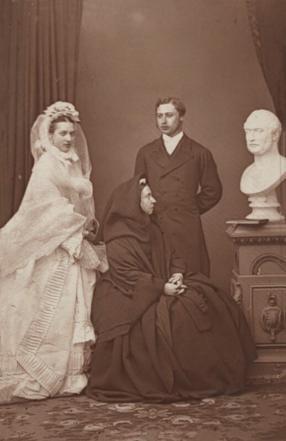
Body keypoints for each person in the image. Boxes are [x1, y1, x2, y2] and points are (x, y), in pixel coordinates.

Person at [86, 175, 256, 403]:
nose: (154, 200)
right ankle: (190, 378)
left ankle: (215, 375)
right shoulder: (118, 238)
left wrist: (177, 273)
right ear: (132, 202)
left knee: (210, 298)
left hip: (162, 282)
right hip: (130, 293)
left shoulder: (153, 227)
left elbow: (174, 255)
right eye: (148, 197)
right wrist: (162, 288)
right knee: (175, 319)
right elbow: (128, 276)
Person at [0, 101, 106, 403]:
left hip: (68, 240)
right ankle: (42, 374)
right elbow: (43, 207)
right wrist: (76, 226)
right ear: (50, 134)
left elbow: (75, 203)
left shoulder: (69, 162)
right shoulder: (46, 164)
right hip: (53, 244)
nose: (69, 139)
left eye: (72, 133)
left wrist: (84, 225)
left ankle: (71, 376)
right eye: (62, 133)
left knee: (72, 306)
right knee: (49, 308)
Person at [134, 97, 223, 276]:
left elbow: (213, 191)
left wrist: (187, 208)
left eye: (169, 115)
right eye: (159, 116)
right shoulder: (145, 152)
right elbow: (137, 188)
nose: (163, 121)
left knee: (191, 280)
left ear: (181, 117)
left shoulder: (199, 153)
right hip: (156, 226)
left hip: (186, 228)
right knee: (160, 279)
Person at [240, 109, 286, 221]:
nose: (251, 138)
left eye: (258, 131)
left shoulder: (283, 167)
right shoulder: (247, 173)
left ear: (275, 134)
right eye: (248, 131)